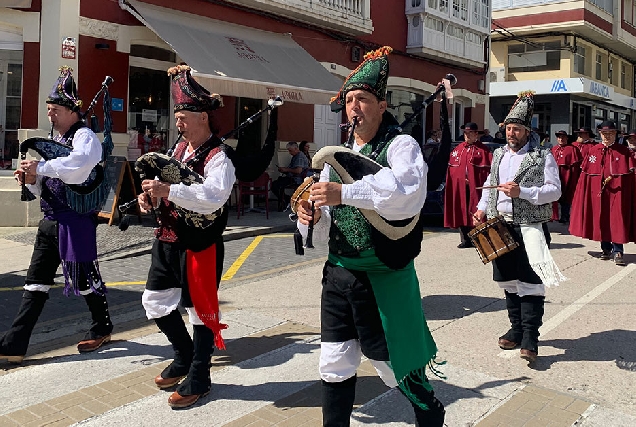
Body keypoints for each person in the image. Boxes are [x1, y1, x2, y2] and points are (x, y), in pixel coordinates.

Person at [296, 46, 445, 426]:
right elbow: (327, 212)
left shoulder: (401, 146)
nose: (353, 107)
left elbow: (405, 193)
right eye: (348, 100)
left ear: (381, 105)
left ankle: (430, 415)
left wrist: (343, 193)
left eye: (362, 99)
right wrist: (309, 211)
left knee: (393, 367)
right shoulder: (341, 154)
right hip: (339, 274)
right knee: (334, 362)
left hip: (382, 275)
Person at [137, 64, 235, 408]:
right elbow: (162, 187)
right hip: (166, 238)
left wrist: (170, 189)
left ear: (203, 118)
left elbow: (214, 197)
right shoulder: (176, 153)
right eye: (176, 115)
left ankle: (200, 374)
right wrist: (148, 197)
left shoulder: (218, 157)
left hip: (199, 243)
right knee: (154, 301)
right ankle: (185, 353)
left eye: (183, 116)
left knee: (199, 311)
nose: (177, 122)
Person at [0, 66, 113, 363]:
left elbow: (79, 166)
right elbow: (49, 185)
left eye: (55, 110)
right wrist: (32, 180)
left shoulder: (84, 136)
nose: (50, 115)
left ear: (71, 111)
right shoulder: (56, 142)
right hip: (50, 222)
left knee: (85, 279)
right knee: (35, 283)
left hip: (75, 223)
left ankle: (102, 325)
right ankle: (14, 344)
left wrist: (42, 168)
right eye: (48, 110)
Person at [474, 91, 565, 364]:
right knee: (509, 283)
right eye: (509, 128)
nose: (511, 133)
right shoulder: (498, 153)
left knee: (531, 284)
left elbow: (554, 191)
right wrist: (480, 208)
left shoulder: (542, 156)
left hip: (531, 227)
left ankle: (530, 338)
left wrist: (522, 192)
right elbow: (490, 185)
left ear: (527, 130)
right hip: (500, 227)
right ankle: (515, 329)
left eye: (517, 128)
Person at [569, 121, 636, 266]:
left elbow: (631, 177)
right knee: (601, 219)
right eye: (604, 134)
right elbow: (585, 175)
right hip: (598, 193)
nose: (607, 137)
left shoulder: (624, 151)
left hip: (618, 194)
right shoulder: (593, 150)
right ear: (600, 134)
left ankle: (618, 250)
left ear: (615, 134)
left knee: (617, 220)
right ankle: (606, 248)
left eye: (610, 134)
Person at [444, 122, 492, 248]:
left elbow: (488, 172)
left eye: (469, 133)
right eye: (465, 133)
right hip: (460, 188)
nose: (467, 135)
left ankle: (479, 239)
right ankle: (465, 239)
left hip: (476, 188)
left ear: (476, 134)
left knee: (475, 212)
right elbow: (452, 170)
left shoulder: (483, 151)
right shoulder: (458, 149)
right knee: (461, 211)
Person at [550, 130, 582, 223]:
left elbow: (576, 164)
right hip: (555, 175)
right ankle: (553, 215)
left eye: (563, 137)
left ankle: (565, 216)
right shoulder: (554, 149)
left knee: (565, 196)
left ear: (567, 138)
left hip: (567, 175)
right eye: (559, 137)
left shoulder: (572, 149)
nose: (561, 139)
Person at [271, 141, 309, 211]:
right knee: (275, 184)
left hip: (296, 179)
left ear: (296, 149)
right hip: (293, 177)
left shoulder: (299, 157)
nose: (290, 152)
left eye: (290, 151)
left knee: (276, 185)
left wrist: (286, 170)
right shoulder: (296, 156)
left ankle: (286, 200)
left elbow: (298, 171)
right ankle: (286, 199)